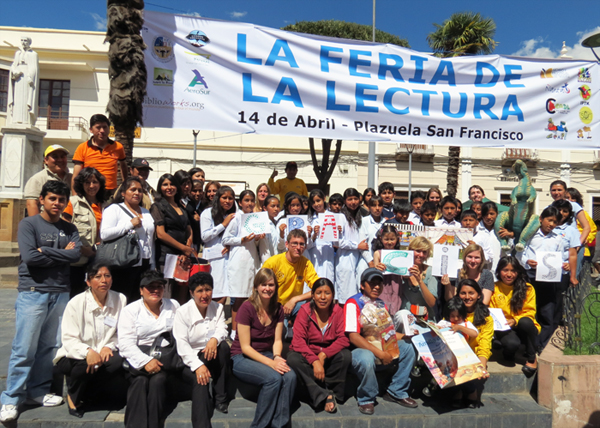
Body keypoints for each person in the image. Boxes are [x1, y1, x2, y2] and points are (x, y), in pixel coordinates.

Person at [1, 181, 81, 423]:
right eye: (52, 199)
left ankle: (37, 392)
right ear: (41, 200)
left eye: (61, 199)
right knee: (24, 348)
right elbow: (29, 257)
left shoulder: (70, 228)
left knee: (50, 347)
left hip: (60, 292)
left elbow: (75, 255)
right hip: (33, 292)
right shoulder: (28, 224)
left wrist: (46, 252)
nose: (57, 203)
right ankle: (11, 398)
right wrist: (60, 255)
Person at [53, 264, 127, 417]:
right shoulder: (76, 303)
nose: (103, 280)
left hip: (103, 353)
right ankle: (73, 397)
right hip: (73, 355)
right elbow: (68, 338)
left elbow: (122, 331)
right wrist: (88, 351)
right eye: (98, 277)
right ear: (88, 281)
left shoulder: (120, 299)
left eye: (107, 276)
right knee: (84, 366)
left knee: (117, 362)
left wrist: (109, 346)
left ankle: (90, 394)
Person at [345, 268, 418, 415]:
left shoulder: (380, 304)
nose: (377, 287)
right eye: (372, 283)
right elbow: (353, 336)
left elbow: (387, 333)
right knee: (366, 358)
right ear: (362, 285)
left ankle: (397, 390)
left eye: (379, 283)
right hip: (359, 350)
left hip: (382, 346)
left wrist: (405, 337)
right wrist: (380, 353)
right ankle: (366, 398)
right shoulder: (353, 303)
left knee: (409, 347)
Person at [230, 268, 297, 428]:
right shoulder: (247, 308)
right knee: (273, 378)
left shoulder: (278, 309)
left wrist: (276, 357)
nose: (267, 288)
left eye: (271, 285)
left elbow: (277, 340)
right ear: (256, 287)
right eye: (264, 285)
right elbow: (245, 347)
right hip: (242, 357)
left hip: (267, 353)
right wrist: (272, 364)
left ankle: (279, 424)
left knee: (290, 376)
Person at [118, 271, 181, 428]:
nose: (155, 290)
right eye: (150, 287)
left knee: (158, 381)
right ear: (141, 290)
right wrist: (145, 361)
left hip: (165, 358)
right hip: (139, 358)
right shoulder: (130, 311)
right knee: (139, 381)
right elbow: (125, 343)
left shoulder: (173, 305)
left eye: (159, 286)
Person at [173, 272, 230, 428]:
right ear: (191, 293)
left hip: (210, 353)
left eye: (208, 289)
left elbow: (222, 329)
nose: (205, 295)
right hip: (189, 357)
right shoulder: (183, 313)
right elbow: (182, 344)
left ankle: (220, 398)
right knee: (201, 380)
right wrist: (198, 366)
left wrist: (214, 340)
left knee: (223, 347)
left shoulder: (217, 307)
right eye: (199, 291)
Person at [517, 206, 578, 351]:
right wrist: (526, 262)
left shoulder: (558, 239)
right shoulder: (529, 235)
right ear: (541, 219)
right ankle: (528, 344)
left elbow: (562, 257)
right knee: (530, 310)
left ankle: (541, 344)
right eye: (549, 220)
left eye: (555, 222)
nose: (551, 224)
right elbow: (520, 253)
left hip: (549, 279)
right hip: (530, 276)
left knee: (547, 312)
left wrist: (566, 265)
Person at [287, 278, 351, 413]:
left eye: (327, 293)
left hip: (327, 355)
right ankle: (324, 394)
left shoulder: (338, 311)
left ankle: (326, 391)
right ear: (312, 296)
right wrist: (314, 360)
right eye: (318, 293)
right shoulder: (305, 311)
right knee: (293, 359)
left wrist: (323, 354)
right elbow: (298, 341)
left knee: (345, 355)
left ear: (333, 295)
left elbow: (343, 339)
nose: (322, 297)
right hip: (308, 355)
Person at [101, 176, 155, 303]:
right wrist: (128, 225)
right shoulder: (114, 209)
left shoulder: (146, 212)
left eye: (140, 190)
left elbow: (150, 239)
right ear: (123, 193)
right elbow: (104, 234)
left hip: (144, 263)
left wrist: (152, 264)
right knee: (122, 299)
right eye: (133, 190)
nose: (137, 193)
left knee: (138, 301)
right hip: (125, 263)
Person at [223, 190, 266, 338]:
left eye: (252, 200)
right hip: (239, 261)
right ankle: (234, 331)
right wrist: (242, 240)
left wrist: (258, 238)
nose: (249, 203)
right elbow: (225, 239)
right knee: (239, 297)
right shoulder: (236, 219)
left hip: (252, 260)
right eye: (246, 200)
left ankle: (245, 328)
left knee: (250, 297)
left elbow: (255, 241)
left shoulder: (255, 218)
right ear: (240, 203)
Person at [490, 257, 540, 377]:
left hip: (523, 326)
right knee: (512, 344)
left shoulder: (528, 288)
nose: (509, 274)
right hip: (504, 327)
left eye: (513, 271)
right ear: (498, 271)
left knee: (525, 322)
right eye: (505, 270)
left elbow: (530, 312)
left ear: (518, 272)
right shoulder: (493, 288)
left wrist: (515, 320)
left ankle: (532, 358)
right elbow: (491, 310)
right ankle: (509, 352)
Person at [62, 167, 106, 297]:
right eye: (87, 182)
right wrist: (81, 249)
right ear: (81, 184)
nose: (91, 186)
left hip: (98, 260)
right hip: (77, 262)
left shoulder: (106, 205)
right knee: (75, 297)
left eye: (95, 182)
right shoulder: (72, 202)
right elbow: (64, 231)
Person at [151, 174, 195, 303]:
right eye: (165, 184)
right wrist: (183, 248)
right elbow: (161, 234)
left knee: (181, 293)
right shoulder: (158, 206)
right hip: (167, 257)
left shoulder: (181, 206)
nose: (169, 187)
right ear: (160, 187)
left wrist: (187, 248)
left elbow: (189, 229)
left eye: (172, 184)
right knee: (167, 294)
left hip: (183, 257)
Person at [262, 229, 320, 320]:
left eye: (301, 244)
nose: (298, 247)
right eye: (294, 243)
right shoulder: (272, 263)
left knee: (314, 306)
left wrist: (295, 299)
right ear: (287, 244)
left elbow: (319, 288)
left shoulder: (306, 263)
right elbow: (259, 288)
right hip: (274, 306)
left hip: (294, 305)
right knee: (282, 331)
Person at [454, 279, 493, 407]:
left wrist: (482, 366)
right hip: (455, 354)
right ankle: (460, 391)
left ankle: (470, 390)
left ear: (479, 295)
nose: (467, 297)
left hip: (473, 356)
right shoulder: (453, 313)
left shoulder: (486, 318)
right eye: (463, 293)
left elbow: (485, 344)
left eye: (471, 293)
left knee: (471, 361)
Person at [72, 114, 128, 197]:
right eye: (98, 127)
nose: (102, 130)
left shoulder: (118, 147)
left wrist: (125, 186)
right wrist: (75, 196)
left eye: (105, 127)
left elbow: (123, 166)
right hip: (90, 192)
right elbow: (76, 175)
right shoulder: (82, 147)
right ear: (91, 130)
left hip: (111, 193)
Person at [200, 186, 236, 304]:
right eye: (224, 198)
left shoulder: (234, 215)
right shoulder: (207, 213)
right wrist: (223, 225)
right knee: (212, 292)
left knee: (224, 293)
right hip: (213, 259)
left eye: (230, 198)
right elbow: (205, 236)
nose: (227, 201)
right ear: (218, 199)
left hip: (227, 258)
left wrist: (230, 245)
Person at [335, 188, 369, 304]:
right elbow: (337, 242)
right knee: (346, 297)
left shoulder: (361, 216)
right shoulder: (340, 217)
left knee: (358, 296)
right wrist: (356, 246)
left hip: (358, 258)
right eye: (350, 199)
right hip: (345, 260)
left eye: (355, 199)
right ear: (345, 201)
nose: (353, 202)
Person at [24, 144, 73, 217]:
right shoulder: (37, 179)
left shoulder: (72, 178)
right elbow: (31, 204)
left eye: (62, 156)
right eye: (55, 157)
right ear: (46, 160)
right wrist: (38, 226)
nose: (59, 160)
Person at [399, 236, 438, 321]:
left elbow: (432, 303)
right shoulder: (400, 269)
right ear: (410, 251)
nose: (421, 255)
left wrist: (419, 281)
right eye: (418, 251)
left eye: (424, 252)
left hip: (425, 319)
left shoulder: (430, 271)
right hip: (404, 318)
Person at [372, 224, 403, 315]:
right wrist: (377, 268)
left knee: (395, 302)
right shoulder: (378, 253)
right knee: (382, 307)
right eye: (386, 239)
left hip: (396, 282)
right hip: (383, 283)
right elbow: (375, 272)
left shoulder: (400, 253)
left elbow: (404, 272)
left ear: (397, 239)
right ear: (381, 239)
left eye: (392, 239)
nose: (389, 242)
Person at [306, 189, 335, 282]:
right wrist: (314, 235)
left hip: (328, 252)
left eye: (318, 200)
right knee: (314, 279)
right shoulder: (309, 219)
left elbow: (336, 241)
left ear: (324, 199)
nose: (316, 204)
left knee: (328, 279)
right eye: (313, 202)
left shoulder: (333, 216)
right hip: (314, 253)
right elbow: (308, 244)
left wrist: (337, 231)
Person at [477, 202, 503, 276]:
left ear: (497, 214)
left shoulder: (502, 229)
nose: (489, 217)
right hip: (480, 273)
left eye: (492, 214)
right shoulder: (476, 230)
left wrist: (510, 235)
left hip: (499, 273)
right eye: (486, 214)